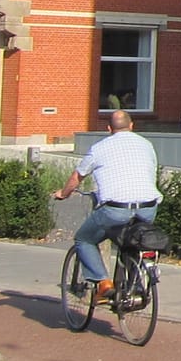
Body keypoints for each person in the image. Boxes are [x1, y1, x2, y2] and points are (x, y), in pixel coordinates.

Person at [54, 109, 161, 300]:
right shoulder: (147, 145)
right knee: (132, 241)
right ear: (131, 126)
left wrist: (63, 193)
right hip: (148, 207)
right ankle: (134, 285)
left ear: (109, 128)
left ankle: (103, 283)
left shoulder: (100, 148)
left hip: (116, 210)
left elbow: (77, 176)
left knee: (84, 240)